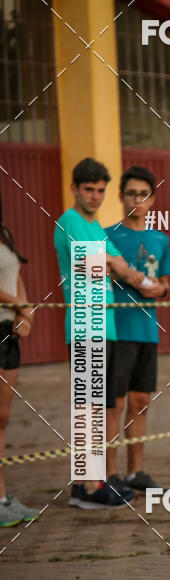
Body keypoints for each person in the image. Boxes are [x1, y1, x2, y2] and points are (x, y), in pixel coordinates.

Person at [54, 158, 146, 509]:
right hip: (83, 324)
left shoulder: (96, 228)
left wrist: (115, 264)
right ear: (75, 189)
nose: (95, 196)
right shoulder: (70, 222)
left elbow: (120, 265)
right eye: (88, 189)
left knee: (97, 405)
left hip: (104, 324)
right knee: (88, 407)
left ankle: (89, 483)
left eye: (100, 191)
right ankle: (89, 488)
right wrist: (113, 264)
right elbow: (102, 263)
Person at [105, 166, 170, 492]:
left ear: (152, 199)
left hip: (147, 330)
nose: (136, 199)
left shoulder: (160, 239)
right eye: (131, 193)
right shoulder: (107, 236)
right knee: (113, 404)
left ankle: (135, 472)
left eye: (143, 194)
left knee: (141, 400)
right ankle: (110, 474)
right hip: (117, 330)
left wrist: (159, 290)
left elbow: (164, 283)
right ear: (121, 196)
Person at [0, 196, 38, 525]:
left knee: (2, 418)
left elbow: (16, 275)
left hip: (8, 332)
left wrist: (25, 312)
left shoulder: (4, 233)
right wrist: (20, 305)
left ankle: (2, 496)